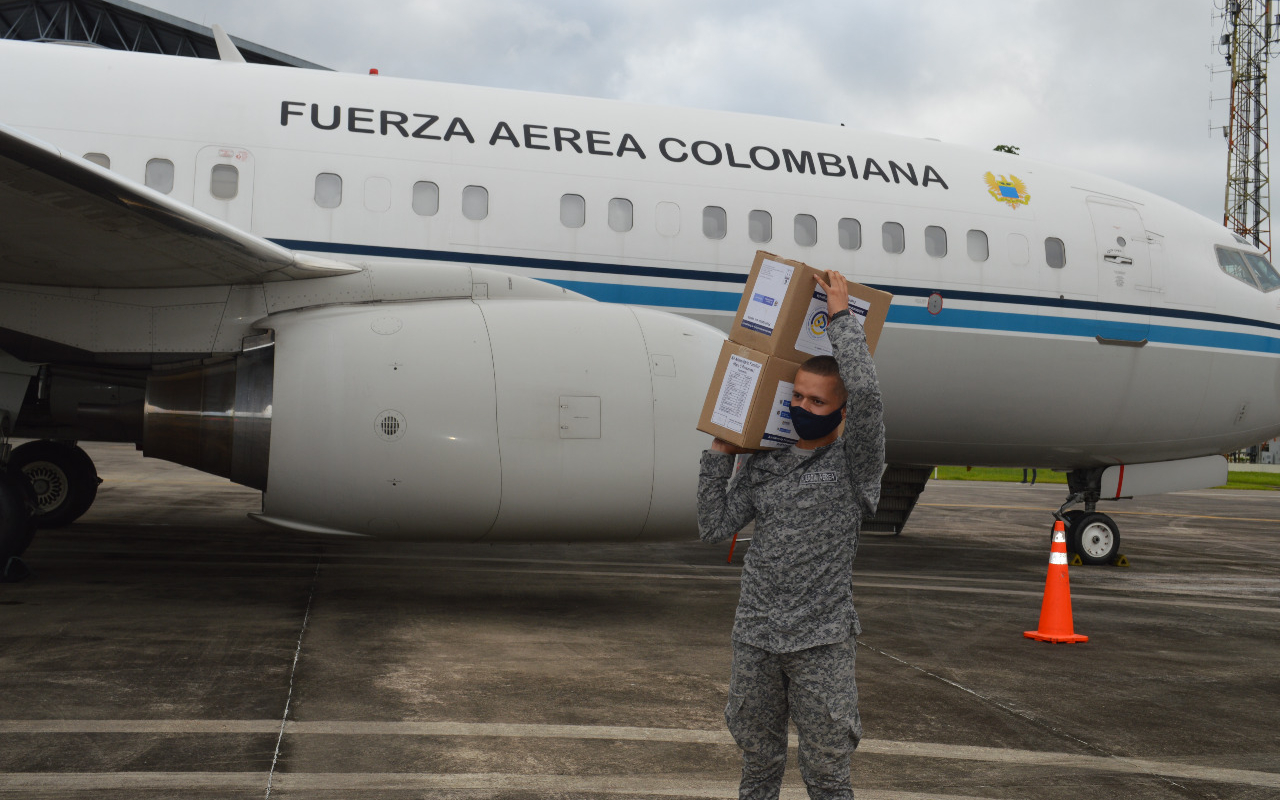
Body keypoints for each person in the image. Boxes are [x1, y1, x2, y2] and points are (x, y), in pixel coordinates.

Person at [697, 270, 885, 800]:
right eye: (797, 398)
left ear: (841, 413)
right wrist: (719, 458)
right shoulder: (765, 463)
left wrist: (842, 318)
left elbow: (868, 395)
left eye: (817, 402)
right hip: (755, 635)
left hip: (820, 641)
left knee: (827, 774)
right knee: (758, 766)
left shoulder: (856, 465)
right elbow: (713, 526)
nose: (802, 408)